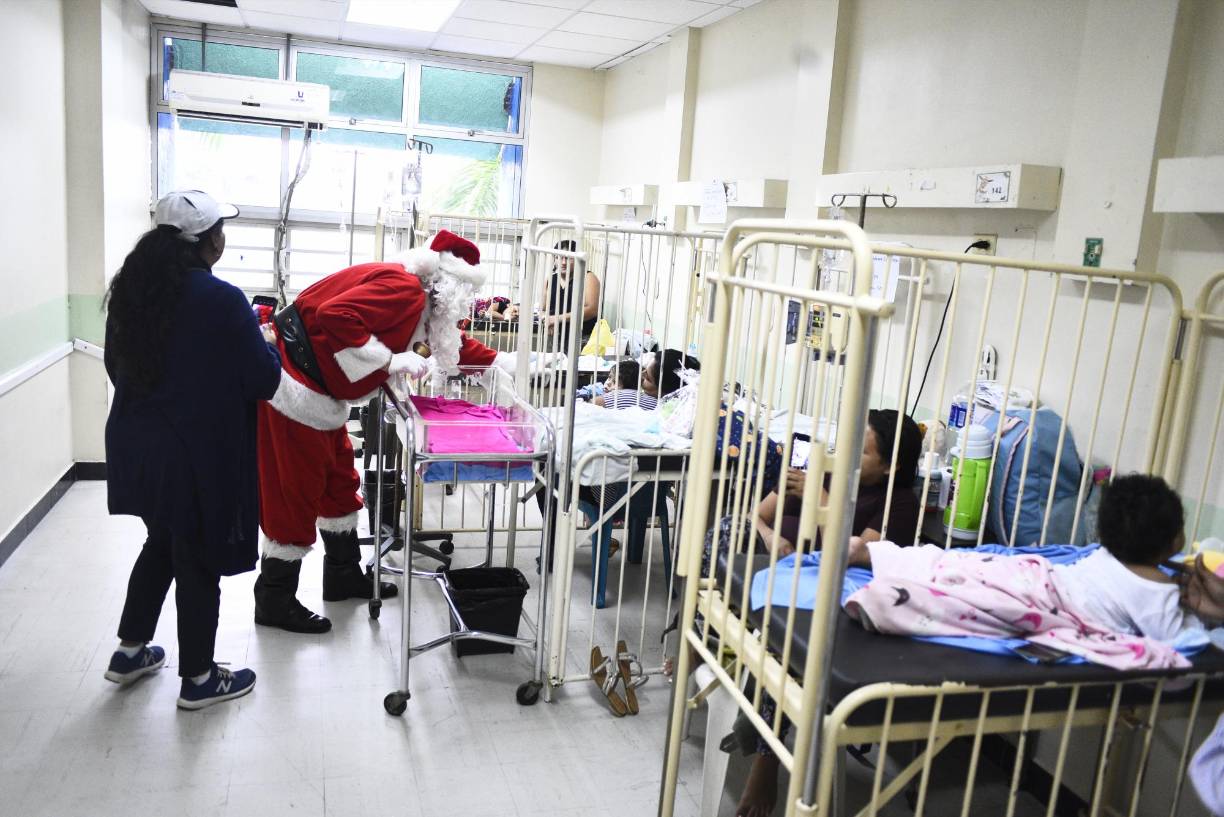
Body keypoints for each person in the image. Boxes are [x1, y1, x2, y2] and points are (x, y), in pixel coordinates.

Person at [254, 230, 516, 634]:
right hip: (295, 387)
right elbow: (334, 316)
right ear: (448, 285)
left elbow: (450, 343)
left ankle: (342, 576)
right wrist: (392, 359)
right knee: (294, 492)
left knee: (339, 482)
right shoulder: (406, 290)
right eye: (465, 294)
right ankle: (274, 598)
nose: (466, 306)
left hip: (320, 392)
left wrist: (503, 361)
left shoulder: (422, 302)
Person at [103, 190, 279, 710]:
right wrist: (264, 345)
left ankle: (130, 650)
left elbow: (119, 369)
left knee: (162, 542)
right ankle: (200, 679)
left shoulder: (131, 297)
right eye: (220, 230)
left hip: (138, 448)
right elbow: (262, 381)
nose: (224, 238)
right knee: (197, 558)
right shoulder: (222, 300)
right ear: (207, 242)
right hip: (195, 455)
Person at [732, 408, 923, 817]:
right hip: (777, 562)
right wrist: (768, 538)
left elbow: (841, 555)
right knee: (722, 533)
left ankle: (765, 764)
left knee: (789, 645)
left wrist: (820, 497)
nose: (850, 455)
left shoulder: (899, 504)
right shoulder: (829, 471)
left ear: (890, 466)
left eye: (865, 451)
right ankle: (698, 643)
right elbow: (757, 514)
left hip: (819, 582)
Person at [505, 239, 600, 352]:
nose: (563, 262)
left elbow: (592, 310)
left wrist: (557, 319)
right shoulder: (550, 280)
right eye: (559, 257)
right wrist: (544, 318)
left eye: (569, 258)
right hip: (557, 338)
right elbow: (543, 309)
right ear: (554, 259)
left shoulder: (588, 278)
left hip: (585, 339)